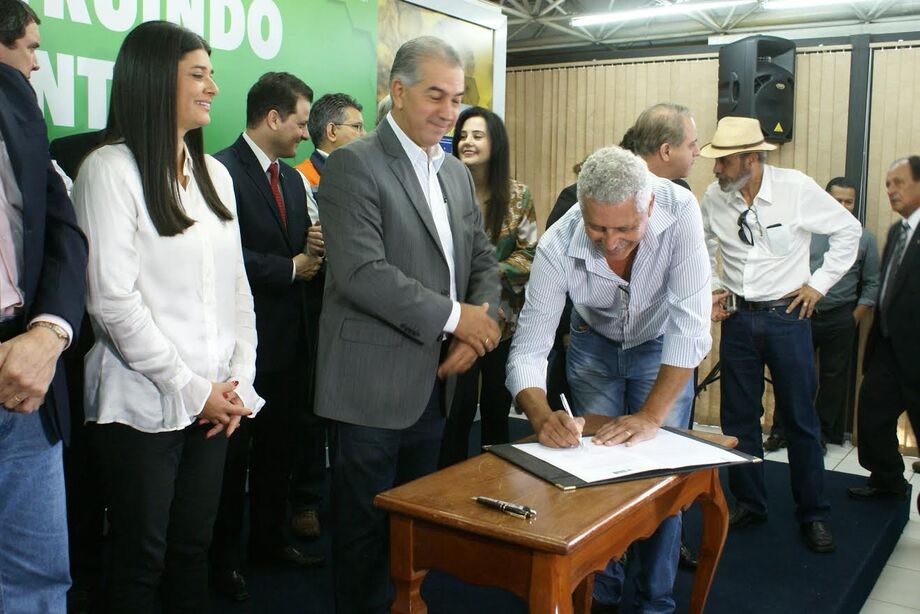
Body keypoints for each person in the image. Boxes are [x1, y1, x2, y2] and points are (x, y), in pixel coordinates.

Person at [71, 21, 263, 612]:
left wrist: (238, 384)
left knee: (192, 551)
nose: (212, 88)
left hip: (213, 405)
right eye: (198, 74)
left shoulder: (217, 177)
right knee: (140, 561)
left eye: (211, 74)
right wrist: (191, 389)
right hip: (140, 409)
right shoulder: (108, 170)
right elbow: (111, 303)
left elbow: (238, 290)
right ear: (155, 80)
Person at [315, 36, 501, 613]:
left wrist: (478, 326)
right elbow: (363, 274)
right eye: (434, 95)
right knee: (364, 533)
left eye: (456, 97)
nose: (448, 111)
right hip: (371, 386)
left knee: (416, 529)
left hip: (440, 379)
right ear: (397, 92)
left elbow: (484, 260)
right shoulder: (354, 164)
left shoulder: (452, 172)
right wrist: (457, 318)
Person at [507, 146, 712, 613]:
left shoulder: (680, 210)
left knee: (659, 474)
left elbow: (690, 328)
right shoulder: (558, 244)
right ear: (581, 208)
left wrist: (650, 417)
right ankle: (601, 589)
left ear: (650, 206)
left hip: (661, 345)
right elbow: (529, 348)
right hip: (591, 343)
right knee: (595, 469)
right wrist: (541, 417)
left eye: (626, 228)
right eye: (599, 227)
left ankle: (654, 601)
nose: (612, 240)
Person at [701, 116, 861, 553]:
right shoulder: (715, 198)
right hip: (736, 321)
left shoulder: (795, 188)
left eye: (725, 162)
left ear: (751, 159)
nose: (716, 170)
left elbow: (849, 231)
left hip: (787, 320)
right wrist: (715, 284)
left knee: (799, 422)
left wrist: (818, 285)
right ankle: (750, 502)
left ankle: (813, 513)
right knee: (738, 420)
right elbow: (700, 242)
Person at [209, 72, 325, 603]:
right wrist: (289, 266)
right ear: (273, 117)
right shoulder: (219, 172)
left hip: (291, 344)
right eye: (301, 122)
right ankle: (224, 560)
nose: (306, 133)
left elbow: (300, 247)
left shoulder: (295, 180)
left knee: (280, 456)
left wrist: (313, 247)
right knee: (233, 468)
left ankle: (271, 541)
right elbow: (219, 260)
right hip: (240, 348)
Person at [0, 2, 89, 612]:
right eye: (30, 46)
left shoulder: (20, 110)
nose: (38, 62)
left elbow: (64, 232)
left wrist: (48, 335)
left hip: (26, 371)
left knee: (38, 581)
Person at [438, 106, 537, 466]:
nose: (467, 142)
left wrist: (489, 275)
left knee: (496, 409)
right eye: (463, 135)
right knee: (455, 411)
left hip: (501, 320)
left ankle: (494, 484)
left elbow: (530, 255)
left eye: (477, 136)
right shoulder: (441, 191)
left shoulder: (518, 197)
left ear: (496, 144)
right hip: (454, 320)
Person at [764, 177, 880, 452]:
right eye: (836, 200)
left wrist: (854, 318)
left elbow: (873, 282)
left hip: (841, 317)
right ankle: (781, 430)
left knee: (833, 377)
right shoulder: (805, 231)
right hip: (799, 313)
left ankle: (822, 435)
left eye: (848, 201)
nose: (842, 206)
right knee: (790, 374)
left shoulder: (864, 238)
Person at [848, 156, 920, 513]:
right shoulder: (898, 231)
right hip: (890, 348)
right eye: (888, 184)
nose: (891, 190)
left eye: (899, 183)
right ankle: (887, 481)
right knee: (873, 415)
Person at [296, 92, 365, 192]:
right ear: (332, 131)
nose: (364, 134)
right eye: (357, 127)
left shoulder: (359, 176)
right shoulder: (301, 178)